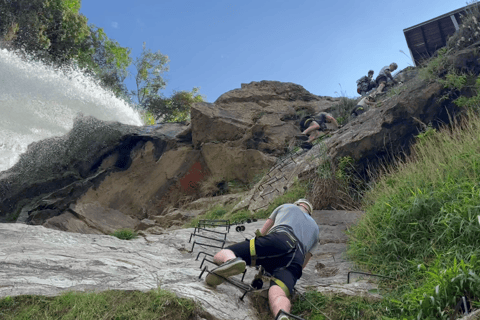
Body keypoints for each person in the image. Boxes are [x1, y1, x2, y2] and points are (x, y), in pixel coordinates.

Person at [205, 199, 320, 320]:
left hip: (280, 239)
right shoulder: (316, 229)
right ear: (309, 213)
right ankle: (282, 314)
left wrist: (256, 251)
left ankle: (231, 260)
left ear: (297, 204)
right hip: (296, 258)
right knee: (278, 293)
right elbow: (303, 264)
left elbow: (262, 233)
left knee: (225, 253)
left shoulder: (286, 206)